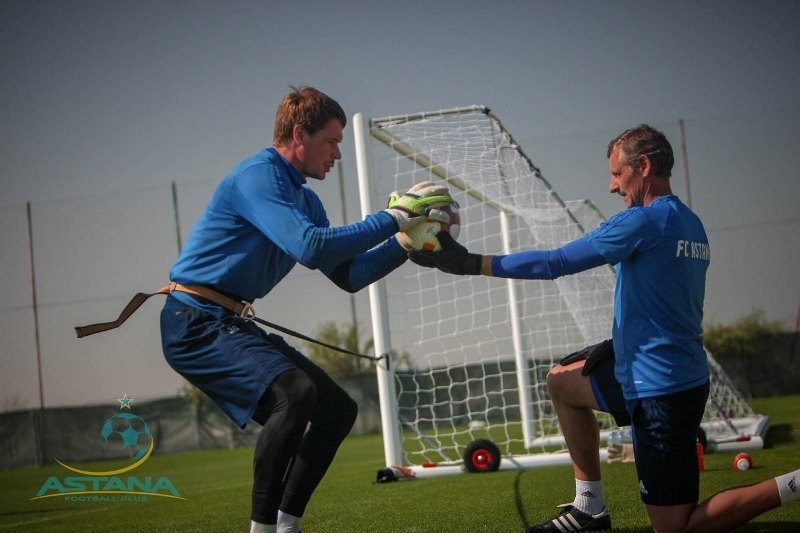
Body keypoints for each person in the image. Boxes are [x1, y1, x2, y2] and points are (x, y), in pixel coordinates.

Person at [409, 124, 799, 532]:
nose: (612, 186)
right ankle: (589, 508)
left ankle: (794, 484)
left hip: (660, 390)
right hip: (654, 370)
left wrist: (467, 263)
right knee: (562, 383)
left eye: (617, 173)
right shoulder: (689, 221)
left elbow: (554, 263)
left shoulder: (643, 221)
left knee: (675, 527)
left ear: (643, 166)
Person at [160, 86, 455, 533]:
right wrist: (395, 217)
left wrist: (404, 243)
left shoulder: (307, 200)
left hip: (226, 321)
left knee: (337, 410)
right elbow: (311, 247)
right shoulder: (258, 175)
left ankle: (286, 525)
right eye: (331, 141)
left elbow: (348, 275)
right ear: (299, 134)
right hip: (193, 322)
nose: (338, 153)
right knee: (295, 394)